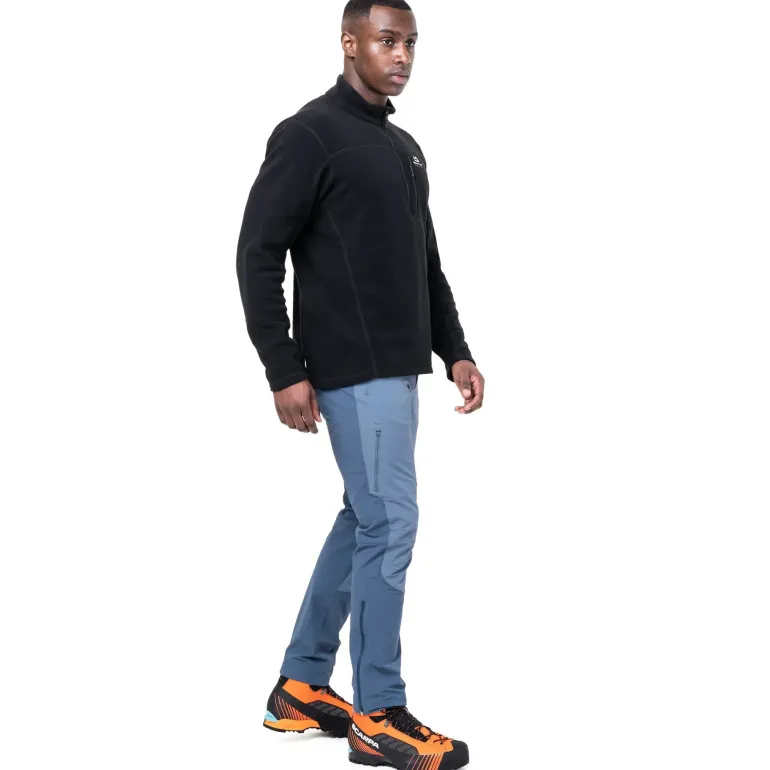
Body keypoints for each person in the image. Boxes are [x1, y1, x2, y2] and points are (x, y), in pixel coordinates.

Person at [235, 2, 483, 767]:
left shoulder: (403, 148)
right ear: (350, 43)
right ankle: (380, 713)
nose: (400, 55)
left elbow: (425, 262)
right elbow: (256, 253)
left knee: (367, 517)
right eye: (386, 40)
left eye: (409, 43)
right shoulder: (309, 134)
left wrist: (456, 350)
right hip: (351, 368)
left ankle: (301, 684)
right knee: (391, 523)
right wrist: (284, 368)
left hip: (400, 367)